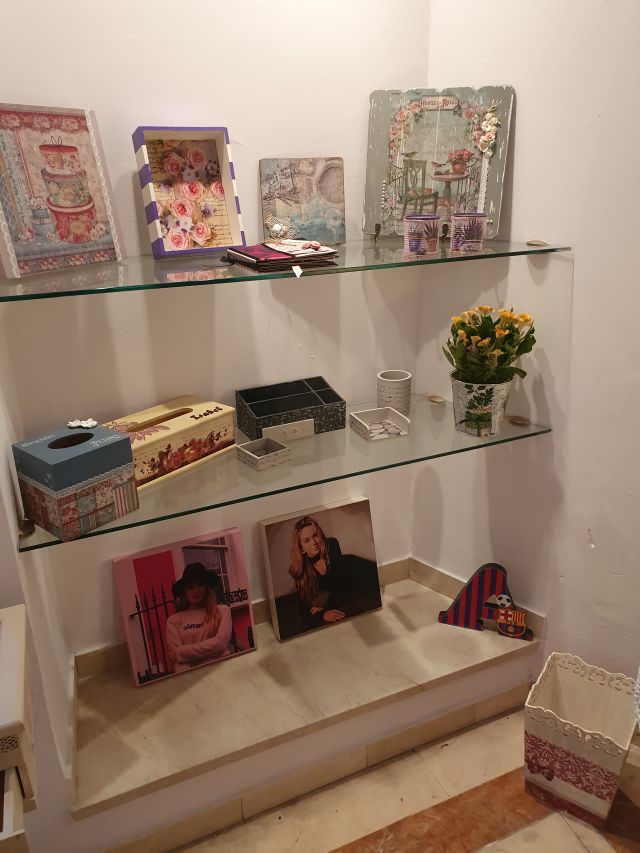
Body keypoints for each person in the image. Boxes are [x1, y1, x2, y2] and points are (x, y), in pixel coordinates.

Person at [289, 515, 378, 632]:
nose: (314, 542)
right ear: (301, 548)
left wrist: (323, 608)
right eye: (307, 540)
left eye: (315, 535)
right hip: (351, 586)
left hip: (360, 571)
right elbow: (303, 610)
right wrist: (323, 615)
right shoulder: (302, 570)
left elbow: (339, 585)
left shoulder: (331, 544)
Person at [165, 562, 232, 673]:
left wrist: (182, 653)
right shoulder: (173, 621)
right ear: (184, 592)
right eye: (190, 587)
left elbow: (220, 644)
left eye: (200, 585)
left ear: (206, 587)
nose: (196, 590)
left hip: (222, 671)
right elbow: (177, 660)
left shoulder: (222, 611)